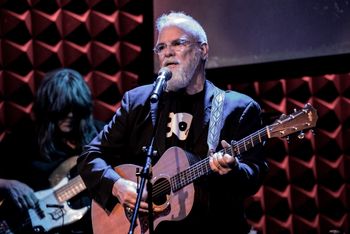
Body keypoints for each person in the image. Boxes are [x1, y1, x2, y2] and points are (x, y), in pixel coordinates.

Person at [77, 12, 268, 234]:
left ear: (203, 50)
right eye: (161, 47)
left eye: (178, 43)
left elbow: (254, 174)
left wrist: (232, 170)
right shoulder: (139, 102)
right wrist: (117, 186)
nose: (167, 52)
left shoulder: (237, 108)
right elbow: (90, 156)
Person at [0, 68, 104, 233]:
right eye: (63, 109)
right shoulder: (23, 139)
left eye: (75, 108)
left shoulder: (100, 134)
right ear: (48, 108)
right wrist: (6, 184)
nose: (70, 115)